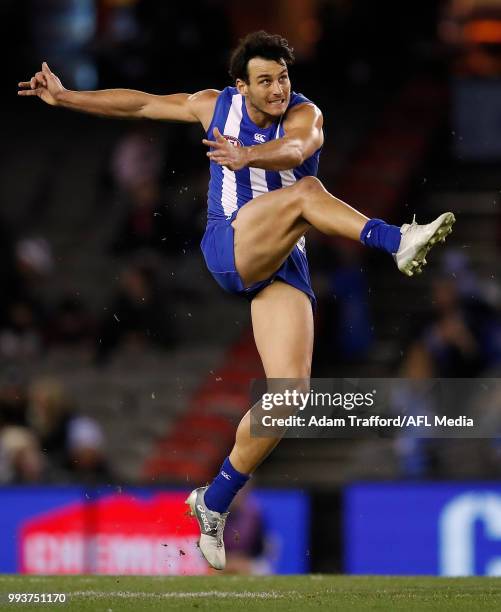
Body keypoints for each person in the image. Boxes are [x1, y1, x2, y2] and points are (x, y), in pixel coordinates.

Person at [19, 31, 455, 570]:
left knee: (290, 398)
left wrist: (249, 154)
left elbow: (296, 150)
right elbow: (140, 102)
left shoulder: (304, 115)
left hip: (280, 263)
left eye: (284, 78)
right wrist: (67, 97)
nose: (277, 90)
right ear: (241, 85)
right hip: (230, 246)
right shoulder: (213, 106)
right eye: (265, 81)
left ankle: (214, 502)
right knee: (307, 194)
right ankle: (395, 239)